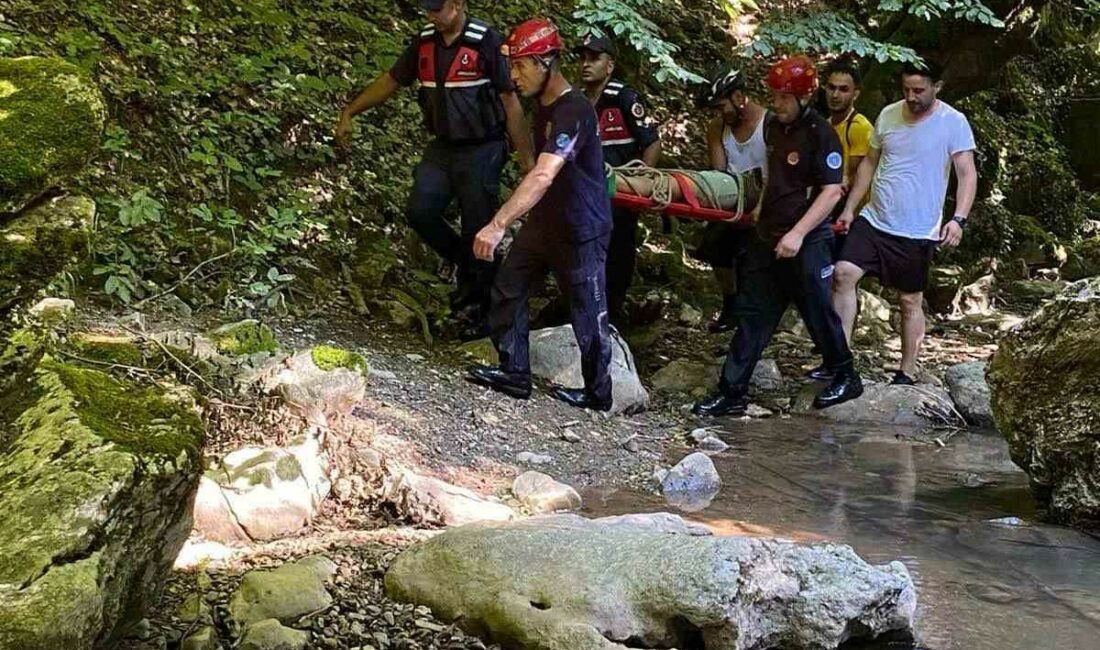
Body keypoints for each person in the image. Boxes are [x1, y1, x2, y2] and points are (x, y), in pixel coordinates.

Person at [336, 0, 534, 335]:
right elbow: (391, 80)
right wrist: (350, 112)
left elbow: (510, 102)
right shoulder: (424, 41)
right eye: (427, 10)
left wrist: (526, 158)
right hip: (443, 147)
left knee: (477, 225)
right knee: (420, 210)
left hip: (483, 146)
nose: (431, 16)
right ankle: (469, 266)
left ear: (457, 5)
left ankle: (481, 307)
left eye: (437, 9)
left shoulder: (485, 40)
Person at [693, 55, 864, 417]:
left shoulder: (821, 135)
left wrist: (799, 234)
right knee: (753, 314)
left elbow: (831, 192)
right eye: (775, 96)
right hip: (768, 236)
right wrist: (759, 213)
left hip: (807, 239)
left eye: (785, 97)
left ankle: (845, 373)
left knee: (818, 311)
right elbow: (773, 172)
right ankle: (732, 390)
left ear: (804, 96)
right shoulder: (775, 128)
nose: (777, 104)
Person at [466, 18, 614, 411]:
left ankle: (599, 393)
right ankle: (514, 372)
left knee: (587, 311)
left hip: (582, 228)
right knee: (509, 286)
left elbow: (545, 173)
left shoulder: (575, 110)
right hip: (545, 222)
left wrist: (499, 223)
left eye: (521, 65)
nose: (514, 75)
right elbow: (534, 160)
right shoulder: (541, 104)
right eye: (512, 66)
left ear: (547, 62)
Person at [831, 61, 978, 385]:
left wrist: (958, 220)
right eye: (906, 90)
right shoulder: (888, 114)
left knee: (909, 300)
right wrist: (850, 208)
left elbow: (967, 174)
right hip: (875, 217)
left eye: (919, 91)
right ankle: (839, 360)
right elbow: (869, 163)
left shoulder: (953, 122)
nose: (911, 97)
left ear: (936, 86)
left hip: (917, 228)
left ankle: (907, 371)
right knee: (843, 274)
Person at [575, 34, 662, 322]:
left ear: (609, 65)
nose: (586, 65)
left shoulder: (626, 97)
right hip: (585, 190)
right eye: (583, 59)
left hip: (621, 191)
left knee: (618, 249)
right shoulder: (577, 101)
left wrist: (642, 183)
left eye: (594, 59)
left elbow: (651, 141)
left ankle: (612, 310)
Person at [805, 57, 874, 382]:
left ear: (855, 93)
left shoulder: (858, 127)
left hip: (849, 215)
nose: (835, 95)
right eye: (831, 87)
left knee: (840, 280)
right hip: (824, 208)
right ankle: (832, 351)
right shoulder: (819, 122)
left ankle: (838, 353)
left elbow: (854, 174)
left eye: (843, 89)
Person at [693, 66, 769, 333]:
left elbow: (779, 172)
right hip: (734, 196)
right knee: (715, 244)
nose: (719, 113)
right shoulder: (717, 127)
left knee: (754, 253)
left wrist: (761, 205)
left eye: (721, 106)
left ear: (738, 97)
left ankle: (754, 311)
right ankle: (731, 304)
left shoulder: (768, 124)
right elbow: (719, 171)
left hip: (766, 199)